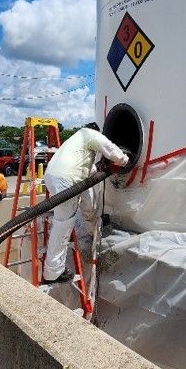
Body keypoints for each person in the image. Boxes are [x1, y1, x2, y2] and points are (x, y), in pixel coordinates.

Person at [42, 122, 129, 284]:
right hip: (66, 181)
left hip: (58, 177)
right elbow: (111, 150)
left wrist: (98, 168)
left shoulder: (75, 141)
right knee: (63, 225)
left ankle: (93, 231)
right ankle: (52, 272)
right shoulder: (90, 134)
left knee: (90, 204)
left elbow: (86, 170)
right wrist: (124, 160)